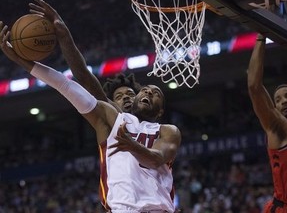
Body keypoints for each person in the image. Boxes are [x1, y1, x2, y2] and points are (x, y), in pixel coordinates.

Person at [0, 20, 181, 213]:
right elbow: (66, 84)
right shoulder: (111, 119)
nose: (148, 94)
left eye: (156, 94)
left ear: (161, 110)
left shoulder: (167, 130)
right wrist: (30, 55)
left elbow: (156, 158)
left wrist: (131, 145)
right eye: (144, 91)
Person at [29, 0, 141, 113]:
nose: (126, 97)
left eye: (131, 94)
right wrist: (64, 35)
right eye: (118, 97)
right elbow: (83, 76)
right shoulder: (116, 118)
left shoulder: (158, 127)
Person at [247, 33, 287, 212]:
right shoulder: (277, 127)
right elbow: (254, 87)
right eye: (278, 100)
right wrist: (261, 36)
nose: (284, 101)